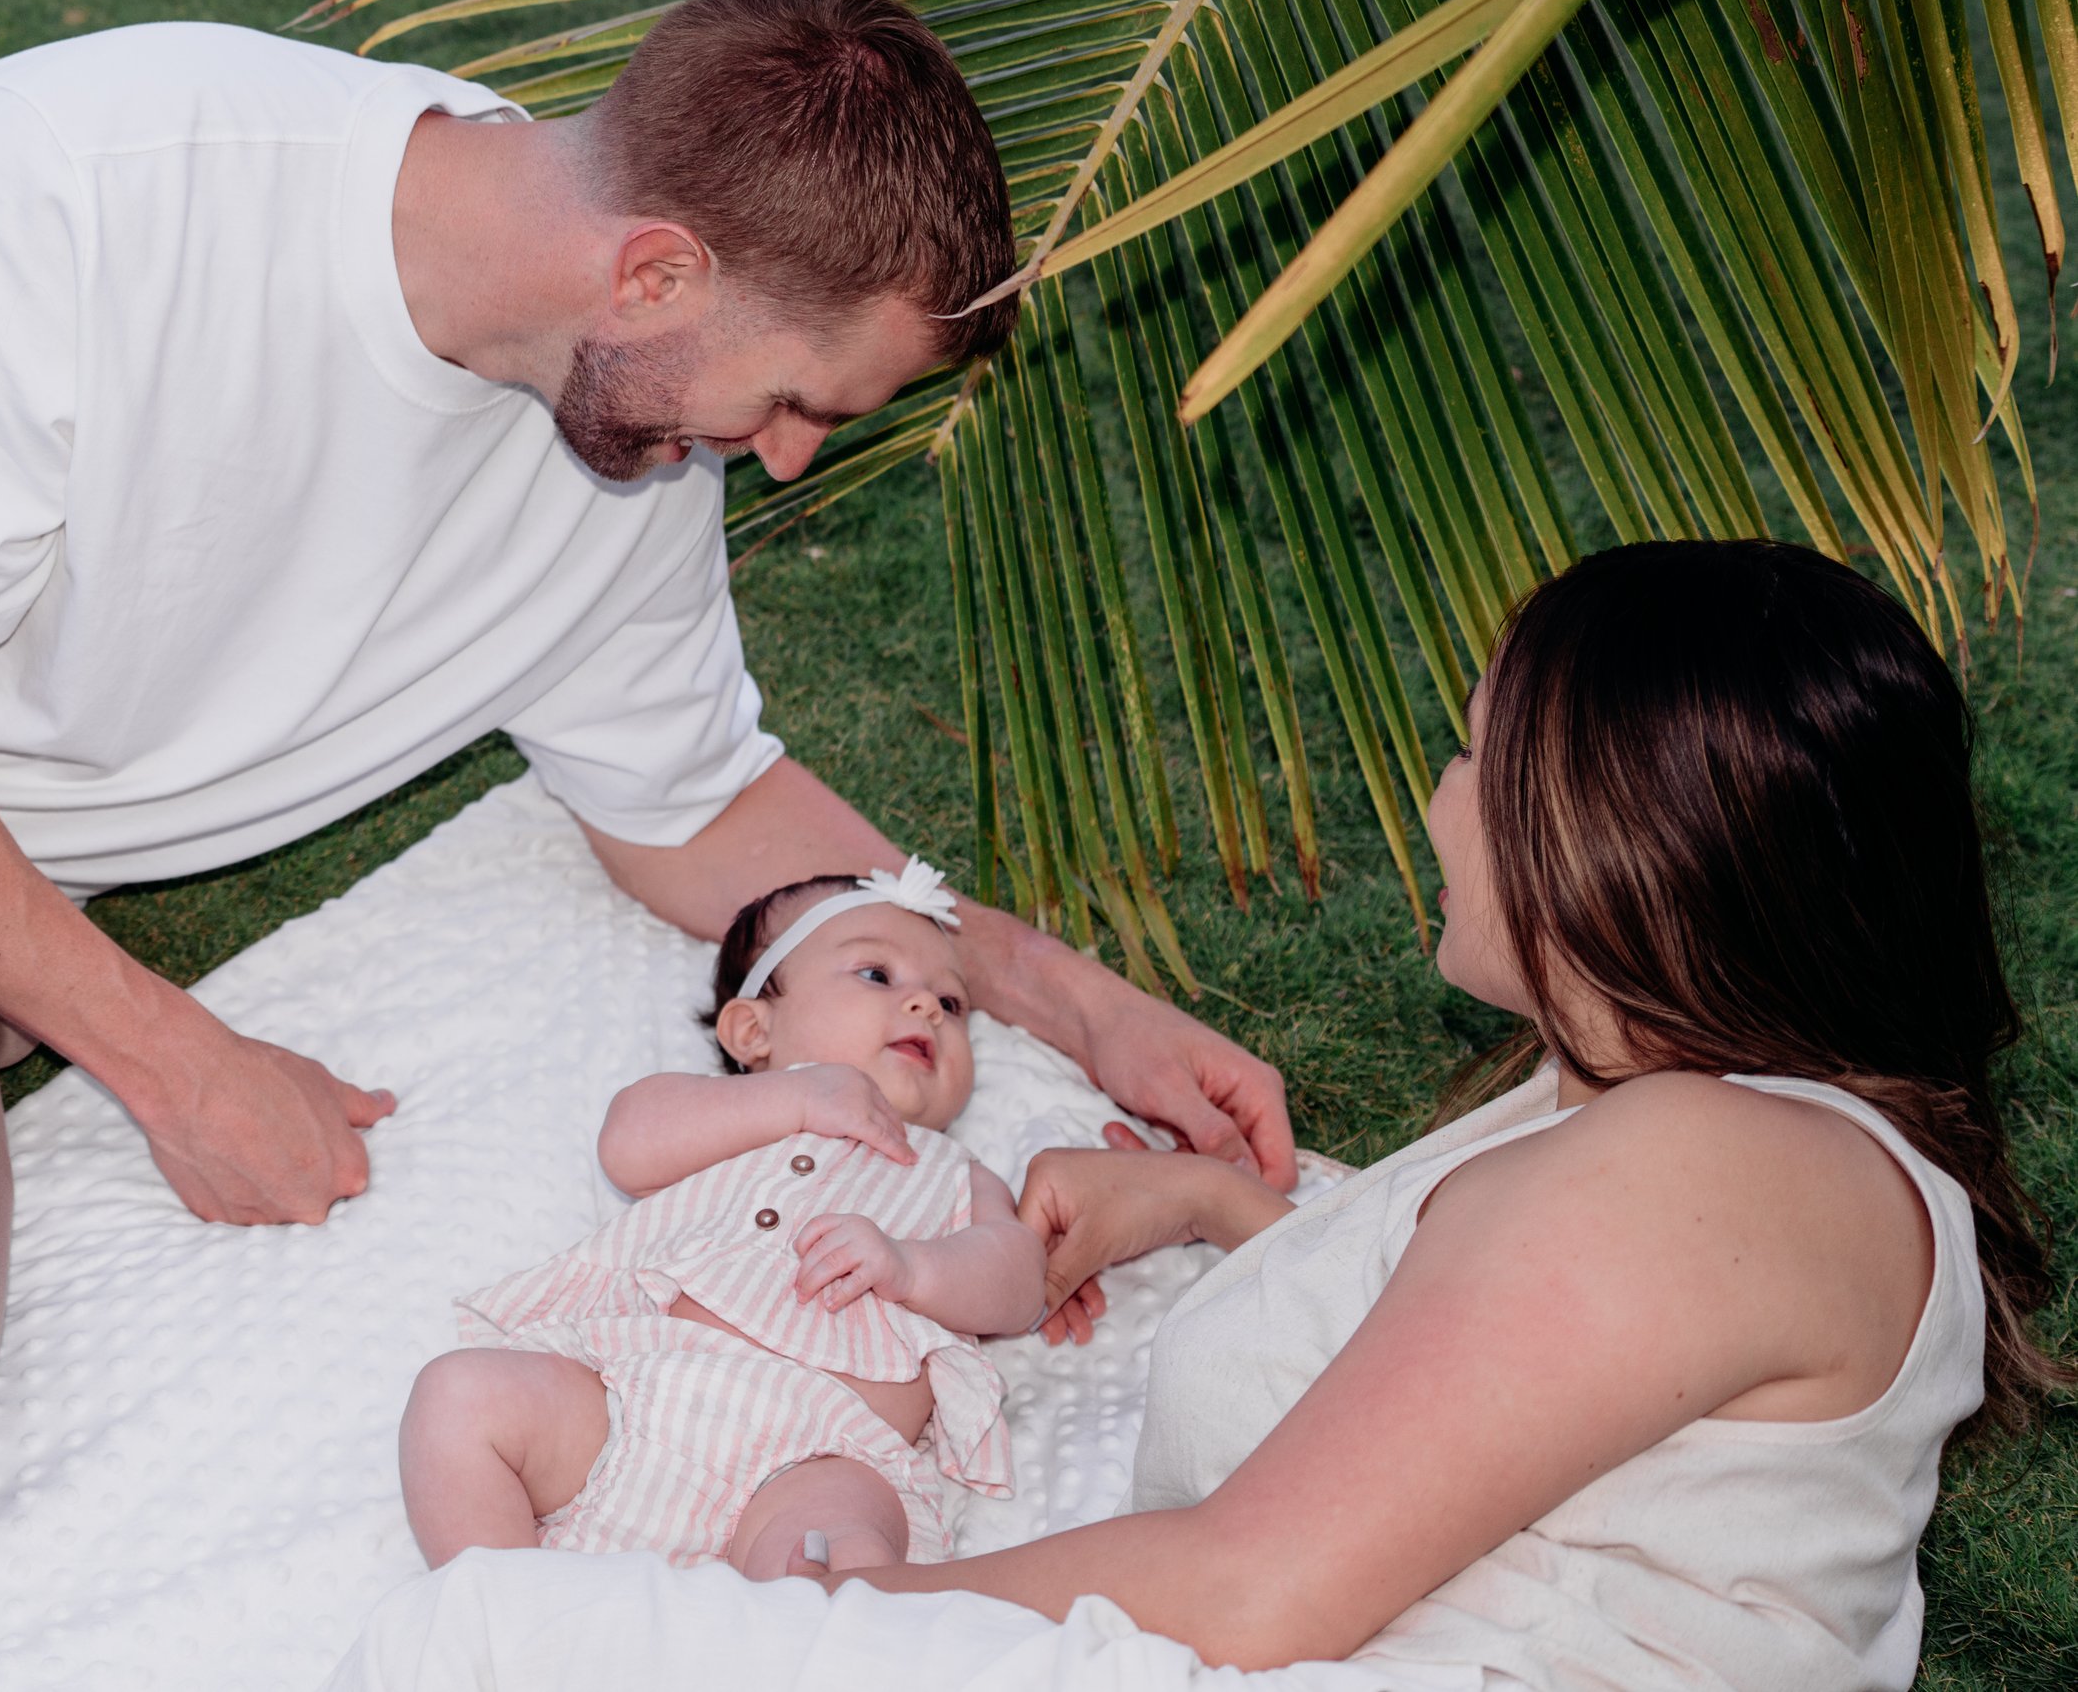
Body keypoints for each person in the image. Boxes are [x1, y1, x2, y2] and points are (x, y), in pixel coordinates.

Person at [0, 0, 1294, 1554]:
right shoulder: (82, 181)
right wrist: (175, 1062)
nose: (777, 464)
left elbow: (696, 803)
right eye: (794, 402)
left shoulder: (622, 457)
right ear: (656, 273)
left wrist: (1083, 1009)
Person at [320, 539, 2066, 1692]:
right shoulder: (1694, 1129)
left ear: (1603, 843)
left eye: (1472, 755)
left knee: (483, 1641)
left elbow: (1252, 1591)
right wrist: (1201, 1214)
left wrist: (784, 1625)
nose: (1439, 796)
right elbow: (1510, 1370)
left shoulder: (1703, 1165)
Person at [403, 860, 1047, 1579]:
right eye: (876, 975)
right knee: (457, 1397)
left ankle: (803, 1645)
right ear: (751, 1032)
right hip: (632, 1396)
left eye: (951, 1004)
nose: (926, 1006)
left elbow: (1019, 1281)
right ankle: (506, 1619)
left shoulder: (956, 1173)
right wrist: (795, 1101)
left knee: (840, 1553)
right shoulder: (737, 1112)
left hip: (821, 1452)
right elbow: (628, 1142)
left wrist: (916, 1267)